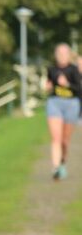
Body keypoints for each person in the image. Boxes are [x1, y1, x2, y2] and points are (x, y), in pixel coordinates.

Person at [45, 43, 82, 180]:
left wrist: (67, 84)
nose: (61, 56)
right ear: (55, 55)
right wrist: (48, 86)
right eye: (59, 53)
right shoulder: (51, 69)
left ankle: (62, 162)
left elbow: (79, 89)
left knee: (64, 141)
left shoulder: (74, 70)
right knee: (56, 138)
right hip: (54, 103)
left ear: (69, 55)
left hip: (71, 104)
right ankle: (55, 168)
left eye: (64, 53)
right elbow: (49, 83)